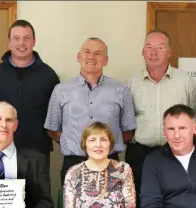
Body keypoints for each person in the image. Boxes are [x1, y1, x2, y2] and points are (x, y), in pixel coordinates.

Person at [124, 29, 196, 208]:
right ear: (142, 52)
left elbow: (194, 114)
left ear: (169, 52)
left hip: (175, 153)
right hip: (140, 153)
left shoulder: (185, 82)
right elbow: (124, 119)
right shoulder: (131, 83)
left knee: (176, 199)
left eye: (160, 47)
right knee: (140, 201)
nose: (153, 52)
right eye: (149, 47)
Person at [44, 37, 136, 185]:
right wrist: (76, 144)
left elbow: (128, 131)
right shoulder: (61, 90)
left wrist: (103, 148)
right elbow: (53, 129)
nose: (91, 57)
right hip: (73, 164)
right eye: (87, 52)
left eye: (98, 53)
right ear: (78, 57)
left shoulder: (121, 90)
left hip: (111, 166)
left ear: (106, 60)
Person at [52, 122, 145, 208]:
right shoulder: (73, 172)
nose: (98, 145)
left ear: (110, 144)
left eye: (103, 140)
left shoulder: (123, 169)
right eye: (92, 140)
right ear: (84, 144)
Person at [0, 19, 60, 166]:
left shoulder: (48, 75)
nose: (21, 43)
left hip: (38, 151)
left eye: (26, 38)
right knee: (4, 189)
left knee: (38, 189)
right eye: (16, 38)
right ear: (9, 42)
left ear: (34, 41)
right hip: (2, 151)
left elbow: (56, 116)